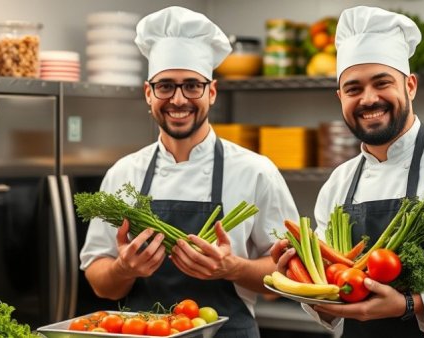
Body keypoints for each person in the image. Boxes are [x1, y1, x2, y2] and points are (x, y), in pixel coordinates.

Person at [271, 6, 424, 338]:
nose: (369, 99)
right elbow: (331, 290)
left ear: (411, 86)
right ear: (340, 97)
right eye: (353, 89)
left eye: (382, 83)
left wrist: (411, 303)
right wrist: (299, 271)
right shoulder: (339, 182)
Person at [79, 6, 299, 338]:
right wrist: (124, 269)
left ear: (211, 92)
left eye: (192, 86)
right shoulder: (123, 173)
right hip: (143, 332)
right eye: (165, 86)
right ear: (148, 93)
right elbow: (101, 283)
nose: (178, 99)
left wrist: (232, 268)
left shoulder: (256, 172)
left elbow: (288, 277)